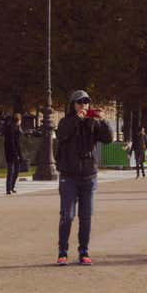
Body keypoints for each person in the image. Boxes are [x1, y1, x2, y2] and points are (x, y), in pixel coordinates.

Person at [55, 90, 113, 266]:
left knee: (86, 217)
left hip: (89, 176)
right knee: (67, 215)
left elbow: (108, 139)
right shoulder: (66, 121)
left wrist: (102, 120)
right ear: (73, 105)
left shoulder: (93, 123)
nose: (83, 106)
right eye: (80, 102)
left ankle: (84, 252)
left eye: (86, 103)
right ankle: (62, 251)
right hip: (69, 176)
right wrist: (77, 120)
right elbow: (61, 134)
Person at [3, 113, 24, 195]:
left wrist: (20, 155)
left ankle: (11, 187)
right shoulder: (11, 129)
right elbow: (12, 143)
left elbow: (17, 143)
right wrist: (17, 154)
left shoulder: (16, 128)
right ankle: (9, 188)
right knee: (11, 171)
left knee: (15, 170)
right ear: (18, 120)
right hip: (11, 152)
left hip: (14, 152)